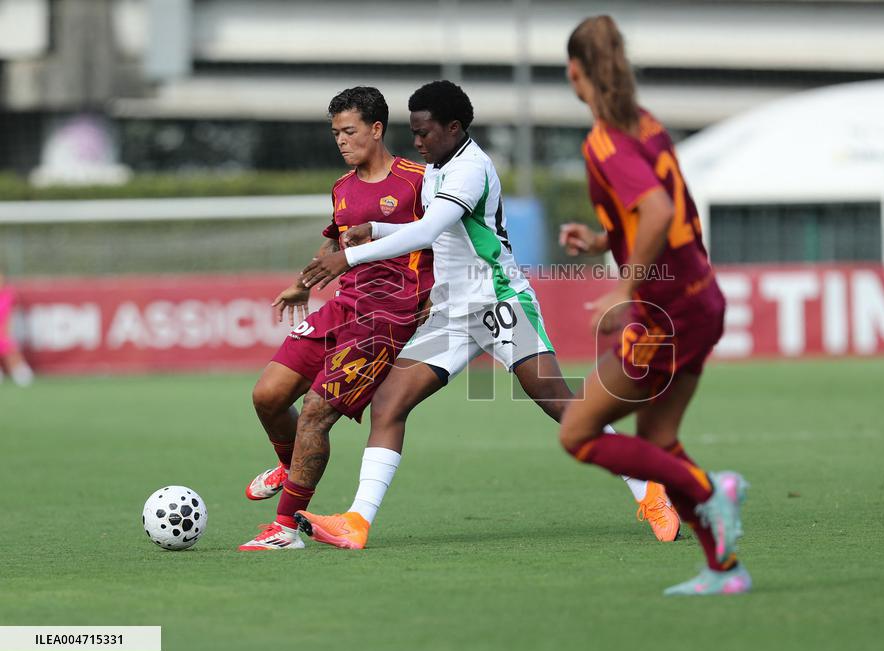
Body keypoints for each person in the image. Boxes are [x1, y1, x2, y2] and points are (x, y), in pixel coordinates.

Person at [292, 80, 680, 550]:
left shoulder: (470, 168)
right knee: (389, 403)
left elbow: (429, 229)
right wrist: (375, 226)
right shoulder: (439, 165)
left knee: (560, 403)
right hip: (454, 311)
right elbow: (429, 228)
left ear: (454, 128)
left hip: (498, 302)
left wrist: (348, 258)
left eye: (425, 132)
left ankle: (650, 486)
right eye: (413, 132)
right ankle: (358, 521)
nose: (417, 142)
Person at [555, 16, 751, 595]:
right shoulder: (645, 125)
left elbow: (660, 211)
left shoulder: (602, 141)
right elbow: (648, 209)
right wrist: (601, 239)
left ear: (574, 72)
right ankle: (724, 570)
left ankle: (711, 489)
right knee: (659, 436)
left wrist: (623, 286)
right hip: (701, 299)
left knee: (578, 434)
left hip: (665, 311)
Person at [238, 86, 434, 550]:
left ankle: (285, 529)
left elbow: (446, 236)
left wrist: (436, 293)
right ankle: (290, 465)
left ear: (377, 128)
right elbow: (334, 241)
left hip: (387, 316)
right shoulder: (343, 187)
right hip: (343, 306)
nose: (341, 141)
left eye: (349, 131)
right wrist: (302, 284)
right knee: (267, 395)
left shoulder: (419, 181)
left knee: (314, 415)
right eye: (335, 133)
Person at [0, 272, 34, 387]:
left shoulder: (8, 294)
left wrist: (8, 331)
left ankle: (22, 375)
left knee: (10, 352)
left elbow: (10, 315)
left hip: (4, 333)